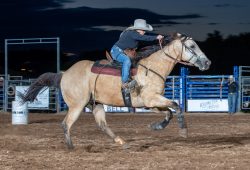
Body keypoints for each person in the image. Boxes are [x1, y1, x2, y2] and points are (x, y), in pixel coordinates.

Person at [110, 19, 164, 90]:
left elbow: (143, 39)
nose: (144, 32)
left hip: (123, 51)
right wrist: (156, 37)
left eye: (145, 30)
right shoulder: (132, 33)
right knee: (127, 61)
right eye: (143, 30)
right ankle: (124, 83)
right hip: (116, 51)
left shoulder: (134, 35)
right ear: (138, 29)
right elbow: (144, 38)